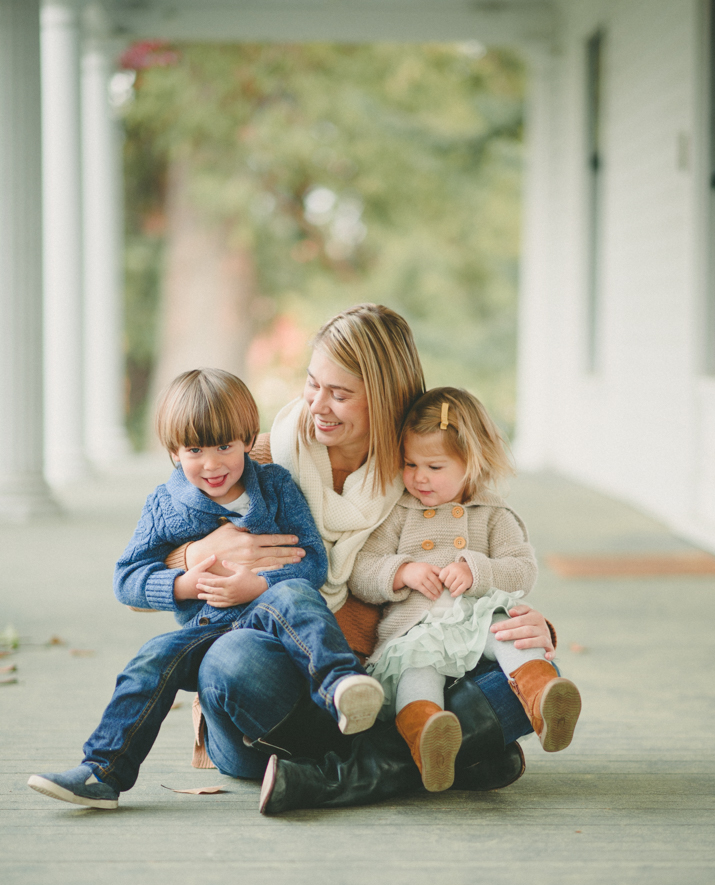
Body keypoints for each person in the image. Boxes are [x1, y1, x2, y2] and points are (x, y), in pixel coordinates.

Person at [162, 305, 561, 815]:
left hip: (381, 687)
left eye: (340, 394)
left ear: (387, 399)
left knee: (533, 673)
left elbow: (486, 556)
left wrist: (526, 624)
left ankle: (344, 775)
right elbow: (147, 563)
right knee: (230, 662)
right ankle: (449, 755)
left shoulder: (422, 475)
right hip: (283, 699)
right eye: (313, 384)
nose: (317, 406)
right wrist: (197, 553)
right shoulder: (257, 461)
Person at [26, 368, 383, 810]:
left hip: (270, 625)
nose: (212, 464)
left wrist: (257, 584)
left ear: (248, 440)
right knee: (151, 658)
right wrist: (184, 583)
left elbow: (311, 560)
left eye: (224, 446)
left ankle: (342, 686)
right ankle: (102, 771)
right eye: (195, 449)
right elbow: (127, 578)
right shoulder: (165, 504)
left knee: (296, 595)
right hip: (207, 627)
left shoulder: (275, 487)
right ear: (174, 451)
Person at [343, 387, 581, 793]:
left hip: (477, 621)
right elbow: (361, 570)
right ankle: (429, 737)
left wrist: (477, 570)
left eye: (434, 466)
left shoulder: (492, 514)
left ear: (471, 463)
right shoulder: (399, 512)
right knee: (417, 673)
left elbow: (522, 570)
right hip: (416, 631)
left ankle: (543, 697)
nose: (419, 477)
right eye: (409, 463)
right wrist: (402, 571)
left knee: (509, 630)